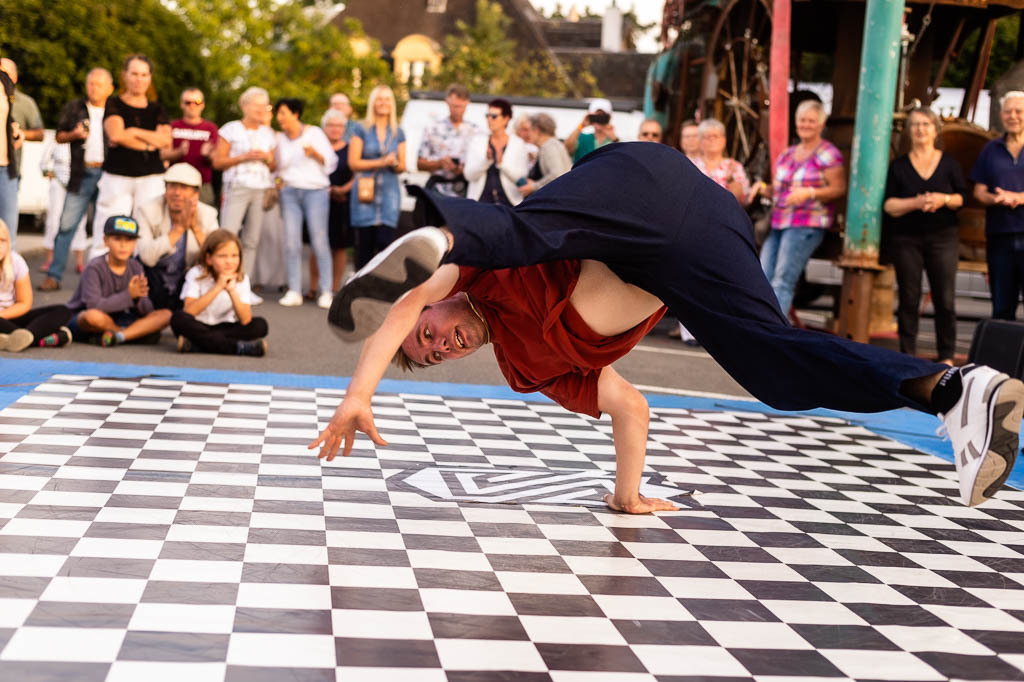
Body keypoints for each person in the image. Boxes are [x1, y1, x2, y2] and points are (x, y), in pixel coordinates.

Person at [320, 142, 1024, 513]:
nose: (441, 342)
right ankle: (956, 390)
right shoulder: (525, 368)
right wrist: (626, 496)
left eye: (430, 331)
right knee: (774, 365)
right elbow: (629, 405)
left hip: (632, 185)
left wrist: (360, 394)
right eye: (436, 355)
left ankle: (437, 233)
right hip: (701, 236)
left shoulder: (473, 280)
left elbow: (407, 311)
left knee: (514, 238)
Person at [883, 108, 966, 365]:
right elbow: (889, 206)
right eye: (916, 125)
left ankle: (947, 356)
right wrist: (916, 203)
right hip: (907, 239)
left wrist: (943, 199)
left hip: (943, 238)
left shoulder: (949, 162)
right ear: (909, 131)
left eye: (926, 125)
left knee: (945, 297)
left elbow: (961, 198)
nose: (920, 130)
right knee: (909, 297)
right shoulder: (899, 166)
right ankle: (907, 354)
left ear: (935, 130)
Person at [761, 99, 847, 317]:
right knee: (762, 276)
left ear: (821, 124)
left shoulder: (828, 153)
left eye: (811, 121)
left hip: (807, 223)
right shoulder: (788, 153)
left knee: (783, 279)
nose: (806, 125)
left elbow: (839, 188)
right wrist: (763, 189)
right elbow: (781, 190)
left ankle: (774, 332)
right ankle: (759, 325)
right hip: (779, 221)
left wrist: (809, 193)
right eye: (802, 120)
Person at [88, 54, 172, 261]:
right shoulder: (114, 103)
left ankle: (143, 275)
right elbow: (116, 134)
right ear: (125, 75)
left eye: (144, 74)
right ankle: (99, 275)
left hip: (151, 177)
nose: (139, 79)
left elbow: (166, 141)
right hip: (117, 176)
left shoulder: (157, 109)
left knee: (147, 228)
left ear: (150, 78)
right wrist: (150, 143)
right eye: (134, 73)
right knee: (108, 225)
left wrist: (132, 131)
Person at [38, 68, 114, 292]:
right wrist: (75, 135)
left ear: (110, 88)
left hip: (109, 174)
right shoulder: (74, 108)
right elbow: (59, 136)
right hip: (82, 173)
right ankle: (54, 275)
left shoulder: (116, 110)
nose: (94, 88)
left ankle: (105, 282)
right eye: (91, 83)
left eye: (99, 85)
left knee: (107, 228)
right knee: (66, 225)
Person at [65, 215, 172, 346]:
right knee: (92, 316)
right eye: (117, 239)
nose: (123, 245)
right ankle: (129, 334)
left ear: (135, 244)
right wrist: (129, 295)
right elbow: (93, 306)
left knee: (165, 315)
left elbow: (147, 311)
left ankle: (119, 336)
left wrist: (139, 298)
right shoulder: (95, 267)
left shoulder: (136, 266)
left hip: (123, 318)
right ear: (105, 241)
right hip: (91, 319)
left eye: (129, 240)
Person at [273, 98, 337, 309]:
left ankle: (326, 291)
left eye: (283, 113)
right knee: (291, 242)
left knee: (319, 241)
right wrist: (278, 180)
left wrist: (315, 154)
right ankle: (294, 290)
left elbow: (331, 162)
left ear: (295, 113)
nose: (279, 118)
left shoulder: (314, 133)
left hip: (315, 192)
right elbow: (277, 168)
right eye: (278, 114)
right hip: (290, 192)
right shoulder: (280, 139)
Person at [971, 90, 1024, 320]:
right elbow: (978, 191)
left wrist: (1019, 198)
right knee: (1002, 307)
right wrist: (996, 199)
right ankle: (1005, 356)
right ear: (1001, 115)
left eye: (1019, 111)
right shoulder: (990, 149)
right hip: (999, 236)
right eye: (1008, 111)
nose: (1013, 116)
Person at [135, 163, 217, 311]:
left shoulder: (208, 215)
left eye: (184, 188)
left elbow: (217, 258)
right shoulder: (147, 209)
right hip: (154, 281)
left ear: (196, 194)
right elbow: (145, 256)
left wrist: (195, 228)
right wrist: (178, 229)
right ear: (165, 189)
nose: (177, 193)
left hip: (186, 283)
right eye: (172, 186)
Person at [171, 229, 267, 356]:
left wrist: (232, 291)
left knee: (260, 325)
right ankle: (238, 348)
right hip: (200, 325)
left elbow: (245, 320)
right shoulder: (195, 273)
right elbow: (189, 311)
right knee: (178, 318)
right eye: (222, 256)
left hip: (226, 327)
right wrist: (217, 287)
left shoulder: (242, 279)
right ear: (209, 258)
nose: (229, 261)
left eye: (234, 256)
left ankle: (197, 346)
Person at [213, 86, 276, 275]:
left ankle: (243, 284)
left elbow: (273, 167)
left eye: (264, 106)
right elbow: (218, 162)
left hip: (260, 189)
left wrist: (266, 157)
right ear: (244, 106)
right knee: (228, 235)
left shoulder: (268, 133)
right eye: (256, 105)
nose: (260, 110)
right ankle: (222, 280)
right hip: (237, 186)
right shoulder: (230, 129)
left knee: (251, 240)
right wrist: (244, 157)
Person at [349, 85, 406, 270]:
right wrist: (382, 162)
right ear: (373, 103)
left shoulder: (398, 132)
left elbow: (402, 166)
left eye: (387, 99)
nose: (383, 103)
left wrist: (394, 163)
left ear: (392, 104)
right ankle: (359, 291)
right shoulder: (361, 129)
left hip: (389, 196)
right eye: (379, 99)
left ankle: (381, 293)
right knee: (364, 247)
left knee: (386, 246)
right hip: (365, 195)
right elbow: (354, 162)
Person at [0, 219, 72, 351]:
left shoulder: (16, 261)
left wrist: (3, 315)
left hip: (10, 316)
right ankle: (44, 338)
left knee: (63, 310)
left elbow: (24, 303)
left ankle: (22, 338)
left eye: (2, 241)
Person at [316, 108, 356, 296]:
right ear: (324, 127)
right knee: (318, 242)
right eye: (331, 125)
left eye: (339, 126)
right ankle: (313, 286)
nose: (335, 129)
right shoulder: (317, 147)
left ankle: (333, 286)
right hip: (318, 198)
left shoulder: (350, 149)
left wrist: (343, 189)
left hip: (342, 200)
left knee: (339, 245)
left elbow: (356, 174)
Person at [464, 98, 528, 207]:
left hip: (510, 204)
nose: (489, 119)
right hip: (480, 203)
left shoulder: (518, 144)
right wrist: (486, 162)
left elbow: (521, 178)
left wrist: (502, 164)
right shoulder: (477, 141)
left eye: (494, 116)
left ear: (506, 119)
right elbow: (469, 175)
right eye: (487, 115)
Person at [416, 84, 477, 198]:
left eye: (461, 106)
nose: (457, 110)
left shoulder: (476, 132)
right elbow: (419, 164)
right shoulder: (432, 128)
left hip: (465, 191)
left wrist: (464, 169)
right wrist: (440, 164)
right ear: (447, 102)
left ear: (467, 103)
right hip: (437, 191)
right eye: (454, 106)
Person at [38, 136, 88, 276]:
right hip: (59, 183)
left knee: (80, 222)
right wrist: (49, 173)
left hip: (78, 183)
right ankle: (50, 259)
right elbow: (43, 163)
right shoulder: (55, 139)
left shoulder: (84, 137)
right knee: (53, 220)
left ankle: (80, 262)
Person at [164, 88, 218, 205]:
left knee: (203, 220)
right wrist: (179, 152)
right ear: (181, 105)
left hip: (201, 184)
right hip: (176, 182)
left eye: (197, 102)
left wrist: (207, 155)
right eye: (188, 102)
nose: (192, 106)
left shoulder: (211, 128)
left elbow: (216, 161)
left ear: (203, 104)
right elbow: (162, 154)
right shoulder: (172, 126)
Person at [694, 118, 751, 206]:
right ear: (700, 142)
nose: (712, 140)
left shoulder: (734, 166)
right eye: (707, 137)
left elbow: (741, 200)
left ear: (724, 140)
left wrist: (730, 179)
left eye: (716, 136)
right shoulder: (691, 164)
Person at [0, 58, 24, 250]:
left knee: (8, 238)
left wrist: (15, 131)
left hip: (6, 168)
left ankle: (8, 280)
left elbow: (7, 116)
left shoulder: (5, 84)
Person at [518, 113, 571, 199]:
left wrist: (533, 186)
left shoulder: (549, 147)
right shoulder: (552, 145)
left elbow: (557, 175)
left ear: (537, 130)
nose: (528, 134)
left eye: (530, 130)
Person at [565, 98, 618, 163]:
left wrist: (615, 139)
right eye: (596, 116)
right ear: (590, 117)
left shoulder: (615, 142)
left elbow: (622, 159)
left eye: (602, 116)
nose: (599, 119)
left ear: (609, 117)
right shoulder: (582, 138)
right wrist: (581, 126)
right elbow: (567, 149)